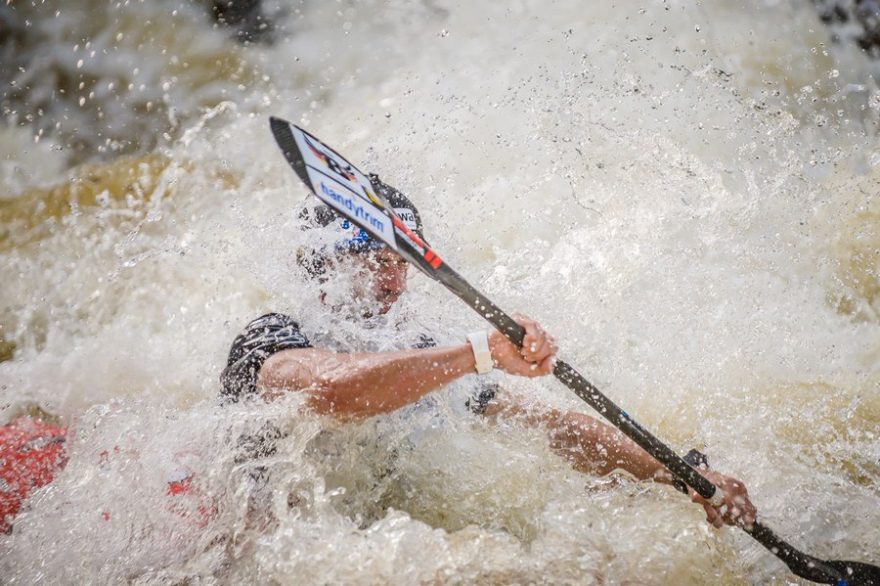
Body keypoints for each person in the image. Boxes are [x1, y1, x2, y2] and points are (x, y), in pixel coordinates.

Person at [220, 174, 757, 530]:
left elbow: (553, 427)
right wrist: (480, 352)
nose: (394, 282)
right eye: (375, 260)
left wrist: (675, 474)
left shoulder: (416, 351)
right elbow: (333, 390)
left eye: (402, 263)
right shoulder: (271, 339)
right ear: (326, 264)